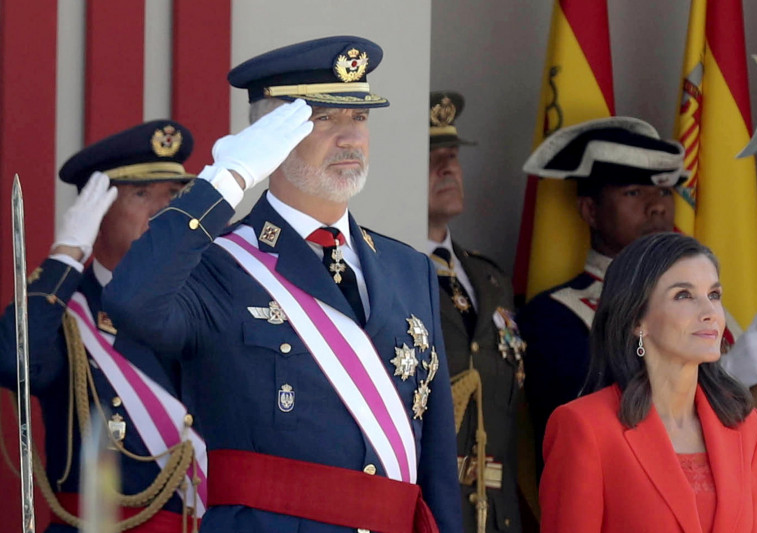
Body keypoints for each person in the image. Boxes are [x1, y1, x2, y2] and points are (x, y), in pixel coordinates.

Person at [102, 36, 463, 533]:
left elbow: (436, 461)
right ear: (269, 137)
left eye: (359, 116)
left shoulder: (408, 268)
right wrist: (226, 179)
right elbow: (130, 301)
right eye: (324, 118)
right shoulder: (215, 264)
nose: (350, 138)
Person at [517, 117, 757, 467]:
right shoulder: (554, 316)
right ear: (590, 210)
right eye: (634, 192)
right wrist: (724, 376)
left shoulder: (711, 307)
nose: (657, 206)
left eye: (664, 192)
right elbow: (593, 426)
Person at [0, 121, 205, 532]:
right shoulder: (68, 315)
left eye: (173, 194)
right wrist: (66, 255)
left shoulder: (208, 301)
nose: (162, 209)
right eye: (141, 194)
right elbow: (13, 363)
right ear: (96, 213)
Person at [540, 232, 757, 533]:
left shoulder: (746, 426)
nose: (710, 313)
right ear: (637, 320)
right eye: (684, 295)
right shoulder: (584, 427)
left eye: (714, 295)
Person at [426, 91, 524, 533]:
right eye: (431, 159)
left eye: (451, 156)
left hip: (495, 514)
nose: (447, 168)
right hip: (429, 509)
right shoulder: (385, 272)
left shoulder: (490, 279)